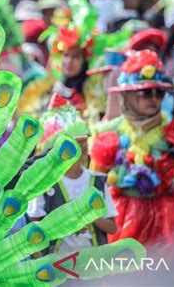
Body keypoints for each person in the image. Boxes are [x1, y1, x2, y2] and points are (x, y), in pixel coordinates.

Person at [90, 50, 174, 272]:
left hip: (169, 225)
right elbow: (94, 193)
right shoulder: (108, 135)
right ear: (126, 95)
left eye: (158, 93)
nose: (154, 99)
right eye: (145, 93)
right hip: (121, 222)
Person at [27, 94, 117, 256]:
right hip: (56, 266)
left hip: (92, 265)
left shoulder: (97, 180)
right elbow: (34, 227)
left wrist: (89, 217)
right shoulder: (44, 183)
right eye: (75, 143)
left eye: (85, 142)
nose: (82, 148)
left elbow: (112, 227)